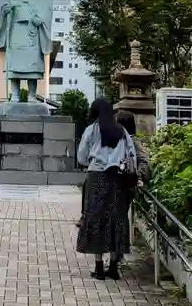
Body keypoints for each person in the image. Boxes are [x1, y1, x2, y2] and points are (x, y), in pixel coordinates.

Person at [76, 97, 139, 281]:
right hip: (117, 179)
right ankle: (113, 267)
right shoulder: (122, 131)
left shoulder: (91, 130)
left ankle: (98, 268)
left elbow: (81, 157)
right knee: (116, 219)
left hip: (96, 178)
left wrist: (93, 160)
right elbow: (131, 156)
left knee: (96, 218)